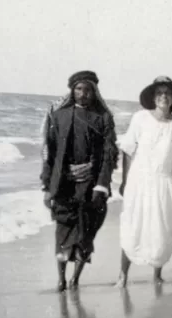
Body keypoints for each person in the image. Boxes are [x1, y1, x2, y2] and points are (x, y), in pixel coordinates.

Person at [41, 70, 118, 292]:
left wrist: (101, 183)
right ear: (72, 90)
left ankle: (76, 278)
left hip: (92, 186)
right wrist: (49, 185)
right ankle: (61, 278)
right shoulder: (59, 116)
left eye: (87, 90)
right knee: (63, 232)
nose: (83, 94)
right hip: (64, 185)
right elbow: (50, 155)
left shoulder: (104, 118)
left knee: (86, 234)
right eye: (78, 89)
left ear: (94, 92)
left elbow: (109, 154)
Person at [114, 76, 172, 288]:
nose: (163, 97)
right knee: (133, 226)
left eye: (167, 93)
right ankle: (122, 275)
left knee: (163, 227)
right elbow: (128, 150)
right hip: (140, 180)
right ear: (153, 97)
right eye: (159, 93)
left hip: (166, 181)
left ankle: (157, 275)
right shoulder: (140, 118)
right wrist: (125, 180)